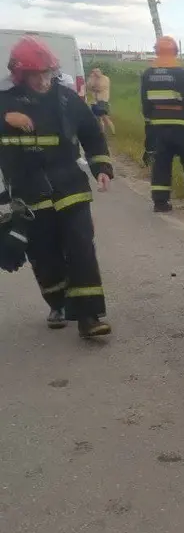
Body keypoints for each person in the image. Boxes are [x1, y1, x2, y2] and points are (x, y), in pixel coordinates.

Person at [0, 35, 113, 337]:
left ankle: (90, 317)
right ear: (21, 75)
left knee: (81, 249)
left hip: (70, 187)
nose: (42, 80)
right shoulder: (5, 100)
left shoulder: (67, 99)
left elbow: (92, 133)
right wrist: (3, 117)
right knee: (44, 255)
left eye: (46, 73)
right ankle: (57, 302)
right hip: (29, 195)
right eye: (35, 74)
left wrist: (102, 167)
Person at [140, 36, 184, 213]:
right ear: (175, 52)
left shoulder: (147, 74)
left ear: (156, 51)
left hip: (158, 128)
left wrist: (150, 126)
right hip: (182, 126)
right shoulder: (180, 73)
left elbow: (145, 104)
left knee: (161, 165)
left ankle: (160, 203)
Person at [86, 67, 114, 135]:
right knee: (99, 118)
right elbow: (88, 86)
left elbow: (100, 88)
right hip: (95, 100)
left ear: (100, 72)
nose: (95, 73)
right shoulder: (93, 79)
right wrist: (91, 78)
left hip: (103, 100)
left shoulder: (105, 79)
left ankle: (113, 132)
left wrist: (93, 88)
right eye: (94, 72)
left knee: (105, 118)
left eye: (97, 72)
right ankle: (102, 132)